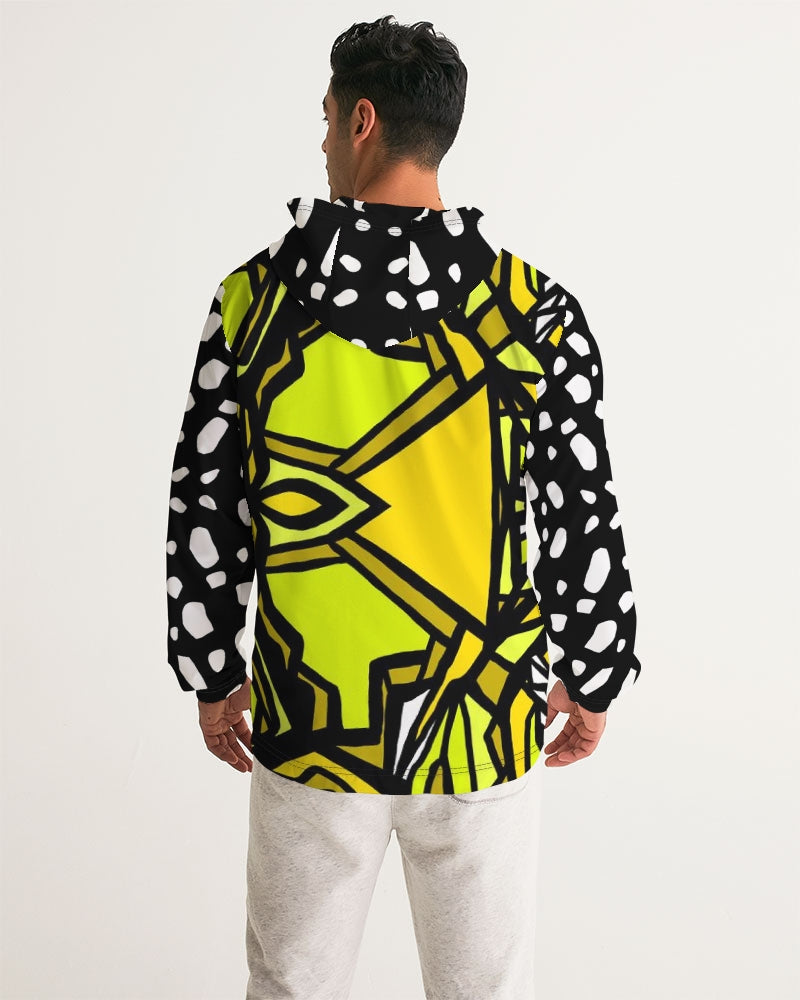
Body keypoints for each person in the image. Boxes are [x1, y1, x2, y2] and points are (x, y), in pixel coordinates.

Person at [165, 14, 643, 1000]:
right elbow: (579, 511)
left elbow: (207, 504)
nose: (322, 141)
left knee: (290, 985)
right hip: (482, 715)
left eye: (325, 118)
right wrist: (592, 676)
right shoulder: (533, 314)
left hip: (310, 716)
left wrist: (210, 671)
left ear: (362, 121)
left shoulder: (252, 304)